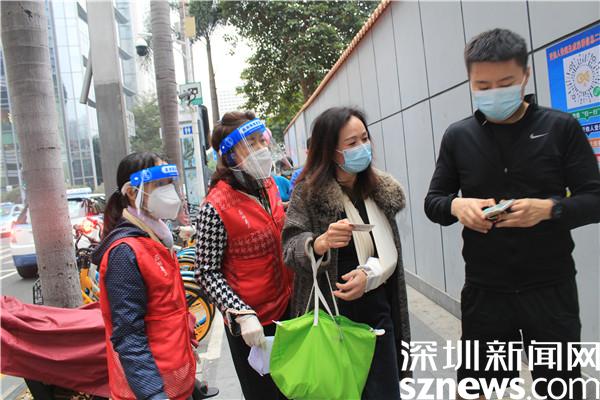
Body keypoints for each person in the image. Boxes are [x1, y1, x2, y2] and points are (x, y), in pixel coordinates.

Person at [424, 28, 600, 400]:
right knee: (475, 389)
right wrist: (457, 206)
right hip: (486, 291)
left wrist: (549, 209)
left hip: (550, 289)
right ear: (470, 81)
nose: (494, 92)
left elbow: (595, 198)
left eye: (505, 83)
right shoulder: (458, 136)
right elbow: (434, 202)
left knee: (560, 388)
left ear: (525, 75)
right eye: (482, 85)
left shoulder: (560, 128)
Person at [282, 107, 411, 399]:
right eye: (352, 143)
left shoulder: (379, 190)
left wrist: (368, 276)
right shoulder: (307, 193)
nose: (362, 147)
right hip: (332, 319)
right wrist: (319, 243)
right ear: (330, 151)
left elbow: (387, 253)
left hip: (378, 312)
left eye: (364, 138)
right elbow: (290, 249)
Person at [194, 111, 293, 400]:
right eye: (251, 143)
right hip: (253, 325)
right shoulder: (215, 206)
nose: (261, 148)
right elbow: (206, 272)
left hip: (289, 310)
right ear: (230, 156)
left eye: (261, 140)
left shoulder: (268, 185)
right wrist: (240, 312)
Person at [92, 152, 196, 400]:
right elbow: (129, 334)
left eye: (169, 183)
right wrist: (153, 394)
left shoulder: (155, 238)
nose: (168, 191)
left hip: (176, 381)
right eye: (159, 184)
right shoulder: (125, 253)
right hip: (152, 390)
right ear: (132, 192)